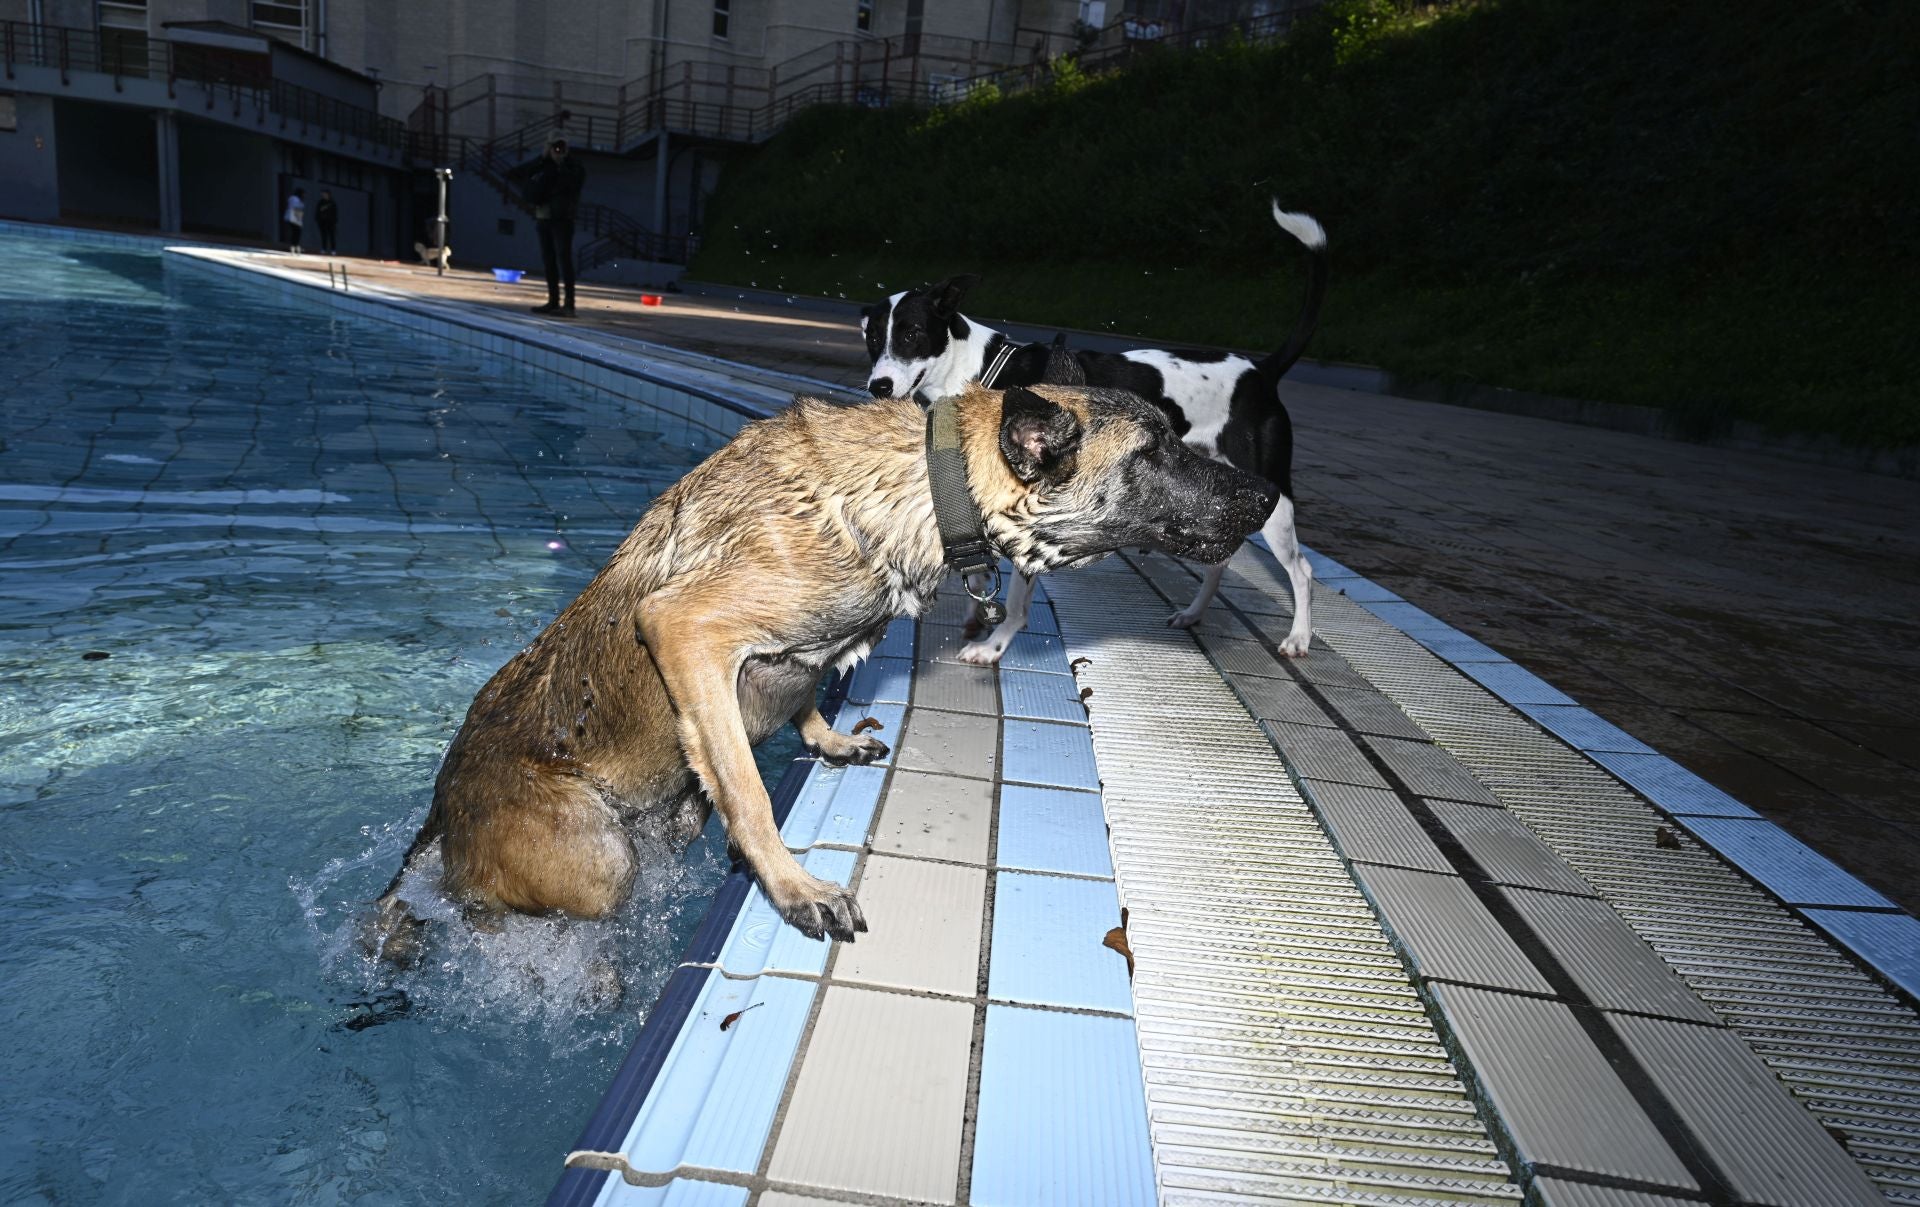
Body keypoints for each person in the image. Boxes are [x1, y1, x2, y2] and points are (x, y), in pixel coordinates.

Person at [507, 138, 586, 316]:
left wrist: (561, 164)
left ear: (567, 148)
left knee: (564, 259)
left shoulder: (573, 166)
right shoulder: (543, 164)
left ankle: (569, 305)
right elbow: (523, 175)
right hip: (544, 216)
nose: (557, 150)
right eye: (553, 147)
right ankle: (553, 301)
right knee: (548, 260)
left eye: (561, 147)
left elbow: (574, 185)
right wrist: (542, 158)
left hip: (563, 218)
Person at [315, 189, 339, 256]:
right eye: (323, 194)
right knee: (324, 236)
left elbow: (335, 213)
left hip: (331, 222)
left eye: (325, 194)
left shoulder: (332, 202)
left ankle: (333, 250)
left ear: (328, 194)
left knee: (332, 236)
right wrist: (318, 219)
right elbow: (317, 211)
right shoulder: (320, 202)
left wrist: (334, 221)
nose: (323, 195)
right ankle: (323, 249)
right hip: (322, 222)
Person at [283, 188, 305, 255]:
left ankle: (294, 247)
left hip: (294, 216)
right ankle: (295, 248)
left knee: (295, 233)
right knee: (296, 233)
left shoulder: (291, 198)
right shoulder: (295, 199)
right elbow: (297, 207)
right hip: (295, 216)